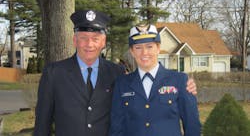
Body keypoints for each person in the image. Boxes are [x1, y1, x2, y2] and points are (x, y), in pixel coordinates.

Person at [34, 10, 198, 136]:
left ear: (103, 42)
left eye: (96, 38)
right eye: (83, 37)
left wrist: (186, 85)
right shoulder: (54, 73)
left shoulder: (116, 73)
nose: (89, 44)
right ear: (74, 40)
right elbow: (42, 123)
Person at [109, 24, 201, 136]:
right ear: (132, 52)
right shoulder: (122, 84)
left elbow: (192, 125)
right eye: (138, 48)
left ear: (158, 48)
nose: (144, 53)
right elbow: (116, 127)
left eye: (149, 46)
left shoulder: (179, 80)